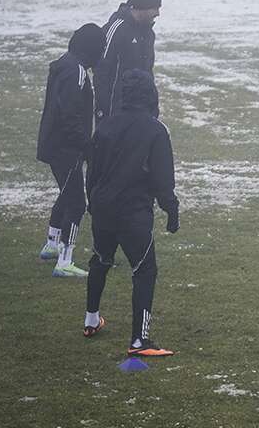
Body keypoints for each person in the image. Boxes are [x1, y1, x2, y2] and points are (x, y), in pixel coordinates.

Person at [84, 70, 180, 356]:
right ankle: (139, 340)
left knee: (100, 260)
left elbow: (92, 173)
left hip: (103, 209)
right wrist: (172, 211)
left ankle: (91, 320)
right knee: (144, 270)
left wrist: (92, 204)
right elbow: (163, 181)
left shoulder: (105, 127)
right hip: (132, 213)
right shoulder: (156, 130)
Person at [35, 23, 105, 276]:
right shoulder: (76, 72)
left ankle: (52, 244)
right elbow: (70, 116)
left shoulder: (65, 65)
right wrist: (86, 146)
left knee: (66, 194)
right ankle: (64, 262)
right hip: (67, 149)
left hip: (55, 145)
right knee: (76, 203)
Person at [96, 0, 163, 120]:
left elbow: (148, 70)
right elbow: (101, 69)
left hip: (140, 108)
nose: (158, 13)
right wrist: (104, 108)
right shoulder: (116, 28)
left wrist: (152, 104)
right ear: (142, 7)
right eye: (155, 8)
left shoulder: (149, 34)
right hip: (115, 108)